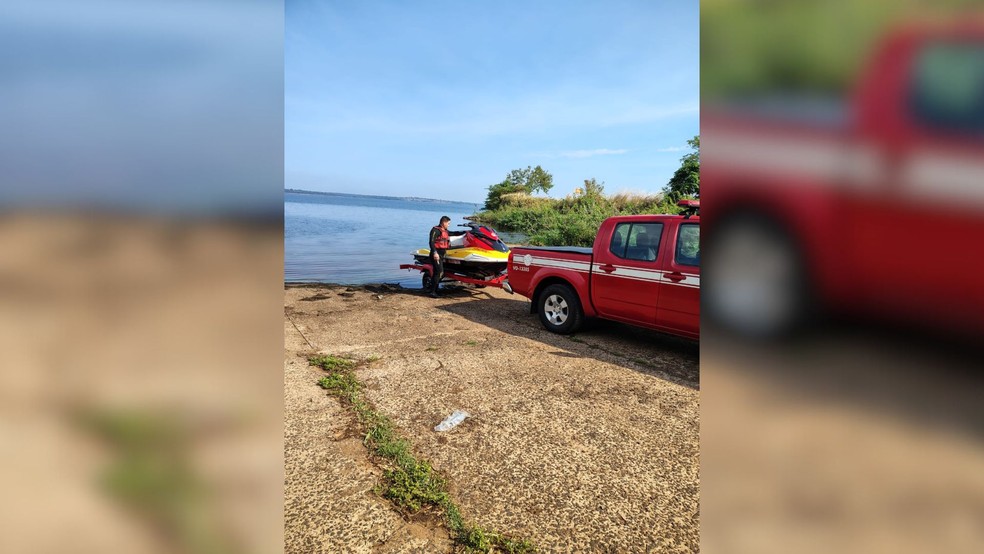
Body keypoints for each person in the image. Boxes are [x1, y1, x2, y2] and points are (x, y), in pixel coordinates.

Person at [427, 216, 464, 297]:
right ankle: (432, 291)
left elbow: (454, 233)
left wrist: (466, 232)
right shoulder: (435, 230)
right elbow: (431, 242)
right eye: (448, 223)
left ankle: (433, 290)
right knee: (440, 272)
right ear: (444, 222)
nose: (449, 225)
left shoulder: (445, 231)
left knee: (437, 272)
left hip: (441, 254)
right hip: (436, 254)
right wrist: (435, 253)